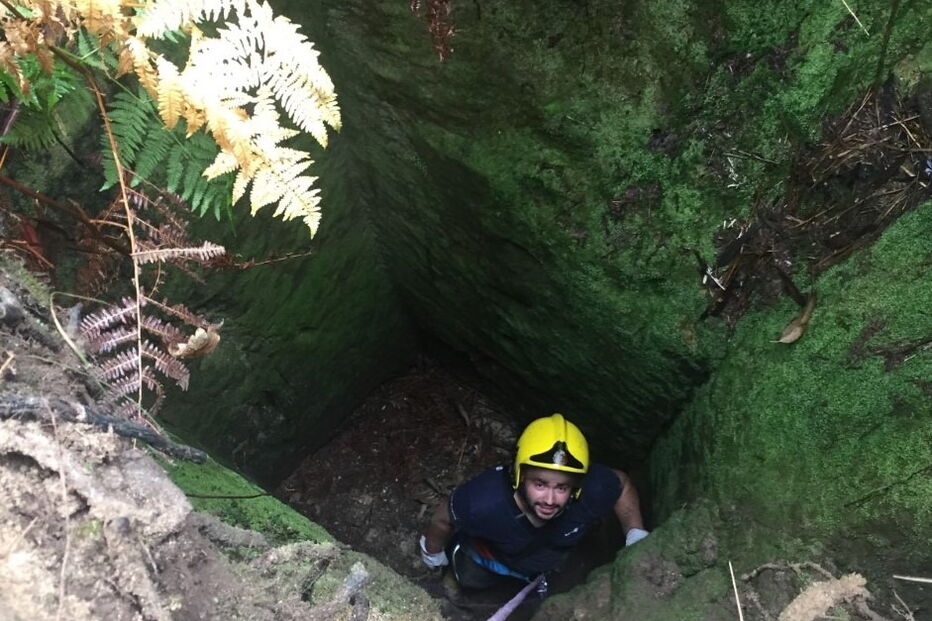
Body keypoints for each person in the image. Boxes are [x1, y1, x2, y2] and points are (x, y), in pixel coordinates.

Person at [418, 413, 648, 595]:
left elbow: (622, 485)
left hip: (547, 562)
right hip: (489, 559)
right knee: (470, 580)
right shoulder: (483, 502)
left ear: (576, 485)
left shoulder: (592, 490)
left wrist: (635, 532)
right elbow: (444, 517)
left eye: (562, 488)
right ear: (519, 475)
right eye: (540, 484)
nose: (550, 500)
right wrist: (433, 550)